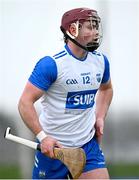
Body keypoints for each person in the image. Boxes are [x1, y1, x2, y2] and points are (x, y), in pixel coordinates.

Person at [18, 7, 113, 179]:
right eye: (90, 27)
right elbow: (25, 103)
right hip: (54, 149)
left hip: (87, 146)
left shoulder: (101, 61)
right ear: (73, 30)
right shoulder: (51, 65)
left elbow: (106, 89)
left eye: (96, 27)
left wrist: (100, 117)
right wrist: (43, 137)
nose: (96, 32)